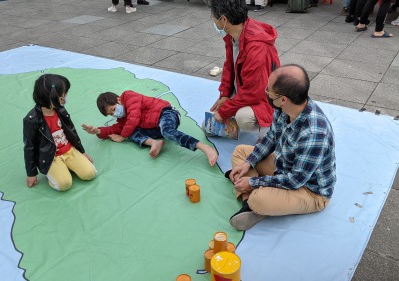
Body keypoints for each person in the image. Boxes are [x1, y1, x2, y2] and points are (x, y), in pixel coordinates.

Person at [227, 64, 336, 231]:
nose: (266, 93)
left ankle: (253, 201)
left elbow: (295, 180)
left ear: (283, 98)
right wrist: (249, 163)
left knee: (260, 199)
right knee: (241, 152)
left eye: (268, 91)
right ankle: (250, 202)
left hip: (309, 190)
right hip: (283, 166)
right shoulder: (283, 108)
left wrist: (253, 182)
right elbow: (271, 138)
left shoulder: (314, 132)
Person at [82, 91, 218, 167]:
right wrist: (98, 131)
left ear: (118, 100)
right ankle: (154, 142)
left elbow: (133, 118)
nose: (114, 114)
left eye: (113, 110)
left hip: (166, 113)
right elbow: (114, 128)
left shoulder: (129, 97)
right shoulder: (122, 118)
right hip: (155, 129)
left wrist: (122, 136)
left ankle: (204, 148)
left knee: (162, 130)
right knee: (131, 132)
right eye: (111, 114)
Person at [208, 0, 280, 140]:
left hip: (266, 99)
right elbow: (229, 66)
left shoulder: (256, 47)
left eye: (213, 16)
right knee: (209, 127)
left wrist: (224, 111)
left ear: (224, 19)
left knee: (244, 119)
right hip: (243, 90)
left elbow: (253, 93)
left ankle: (270, 133)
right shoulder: (233, 34)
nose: (212, 19)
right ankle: (238, 115)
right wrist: (224, 94)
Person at [23, 74, 96, 191]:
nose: (66, 97)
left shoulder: (61, 110)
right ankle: (56, 171)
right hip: (50, 157)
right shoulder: (31, 120)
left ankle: (68, 166)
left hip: (69, 150)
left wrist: (82, 151)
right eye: (64, 94)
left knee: (90, 173)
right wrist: (31, 173)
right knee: (64, 184)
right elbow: (29, 147)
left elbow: (72, 131)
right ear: (54, 97)